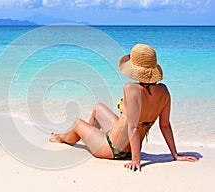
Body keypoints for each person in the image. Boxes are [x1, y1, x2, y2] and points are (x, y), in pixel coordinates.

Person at [49, 44, 199, 171]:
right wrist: (175, 155)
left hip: (111, 149)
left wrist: (136, 160)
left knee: (77, 123)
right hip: (129, 147)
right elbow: (165, 126)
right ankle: (89, 137)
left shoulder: (131, 88)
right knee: (98, 107)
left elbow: (133, 127)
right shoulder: (164, 91)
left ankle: (60, 138)